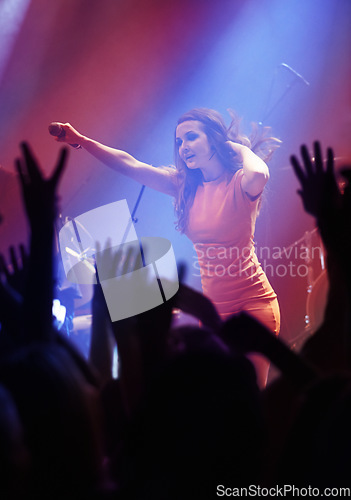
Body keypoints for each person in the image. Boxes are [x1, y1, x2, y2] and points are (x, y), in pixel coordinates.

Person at [52, 108, 281, 386]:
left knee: (251, 397)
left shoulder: (240, 184)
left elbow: (260, 173)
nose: (183, 147)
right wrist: (82, 141)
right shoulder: (185, 186)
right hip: (213, 310)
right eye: (179, 142)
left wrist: (236, 148)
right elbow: (131, 165)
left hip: (254, 304)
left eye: (191, 137)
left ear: (214, 139)